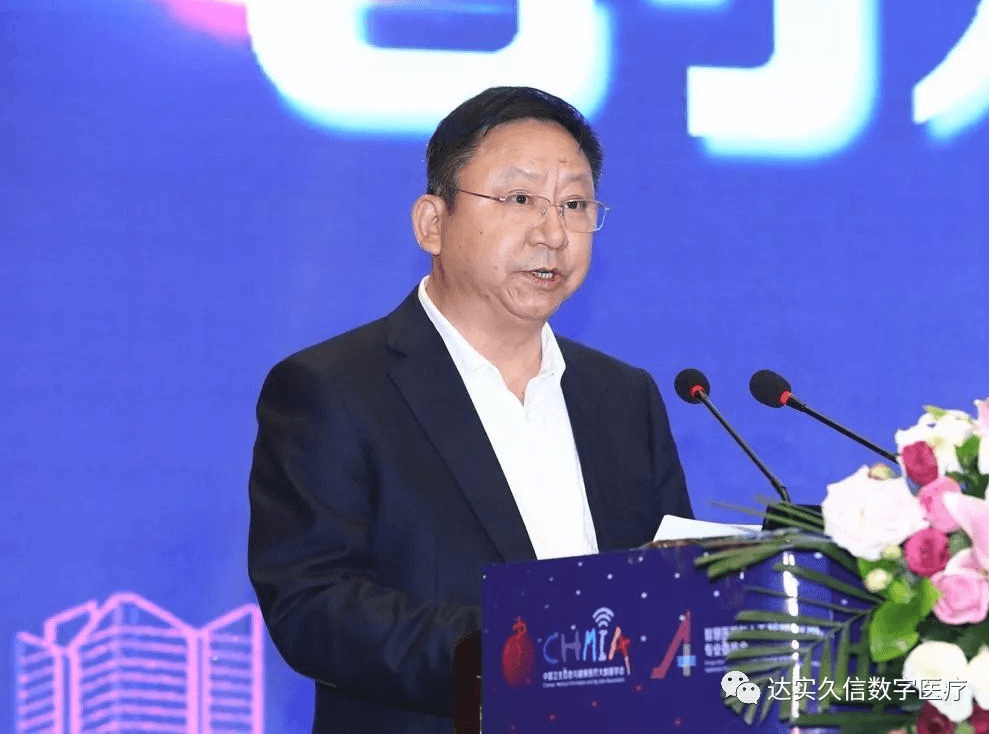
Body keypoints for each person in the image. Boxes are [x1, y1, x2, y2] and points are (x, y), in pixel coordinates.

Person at [247, 86, 693, 734]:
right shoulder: (333, 389)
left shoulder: (625, 397)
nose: (553, 233)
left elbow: (670, 594)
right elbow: (315, 609)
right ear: (433, 223)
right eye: (519, 199)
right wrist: (531, 651)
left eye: (574, 205)